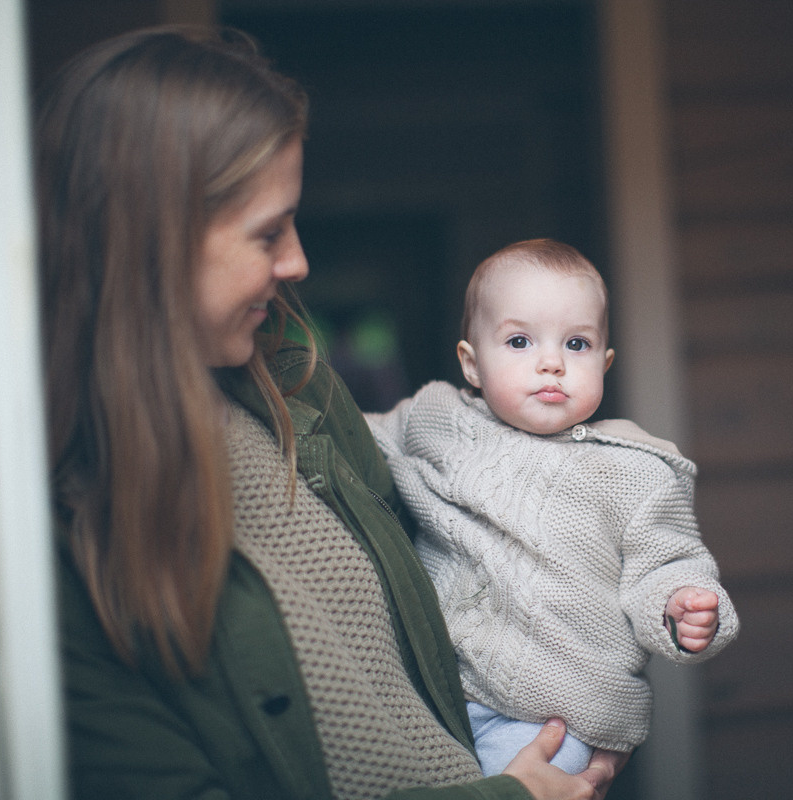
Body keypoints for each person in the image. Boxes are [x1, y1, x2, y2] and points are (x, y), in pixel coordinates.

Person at [38, 26, 624, 800]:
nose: (297, 263)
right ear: (153, 240)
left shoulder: (296, 388)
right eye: (267, 231)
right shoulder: (54, 535)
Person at [366, 239, 739, 776]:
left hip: (552, 718)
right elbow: (359, 436)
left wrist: (682, 605)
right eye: (519, 341)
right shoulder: (438, 419)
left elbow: (667, 561)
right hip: (432, 695)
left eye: (577, 344)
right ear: (471, 364)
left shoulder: (633, 471)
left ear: (605, 363)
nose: (551, 363)